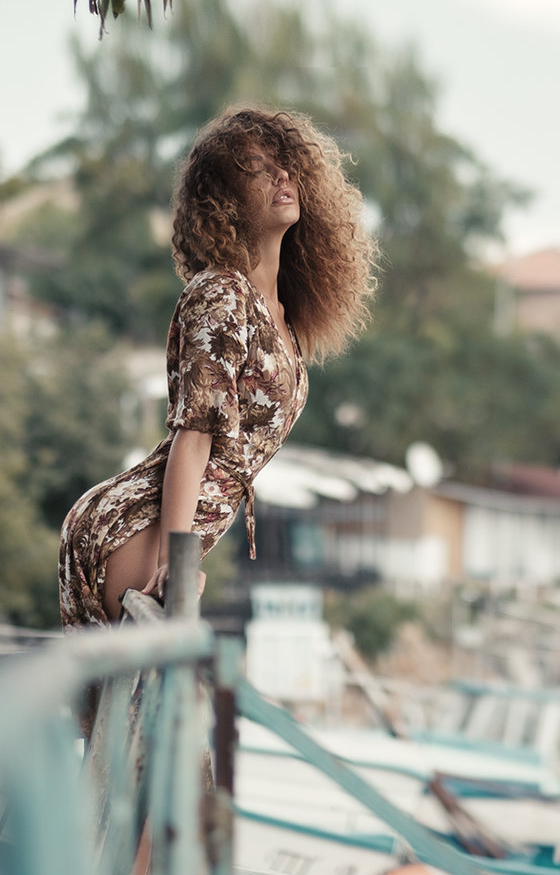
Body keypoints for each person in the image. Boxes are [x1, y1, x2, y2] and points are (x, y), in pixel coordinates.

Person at [58, 106, 375, 642]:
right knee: (132, 690)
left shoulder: (279, 315)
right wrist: (175, 561)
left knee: (120, 694)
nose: (280, 176)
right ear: (225, 199)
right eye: (257, 168)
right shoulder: (222, 295)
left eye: (285, 164)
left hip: (170, 531)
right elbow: (194, 436)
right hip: (136, 528)